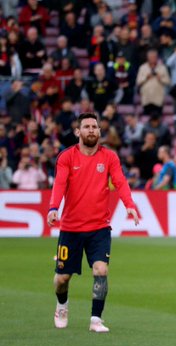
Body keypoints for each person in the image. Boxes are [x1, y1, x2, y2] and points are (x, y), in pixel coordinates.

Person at [46, 113, 140, 333]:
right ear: (78, 131)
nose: (91, 130)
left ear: (99, 131)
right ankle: (61, 306)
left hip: (99, 227)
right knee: (62, 279)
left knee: (101, 270)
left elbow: (120, 181)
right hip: (71, 228)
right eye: (86, 126)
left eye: (94, 127)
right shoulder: (67, 157)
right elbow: (59, 184)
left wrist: (129, 204)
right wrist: (53, 208)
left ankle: (96, 319)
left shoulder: (109, 157)